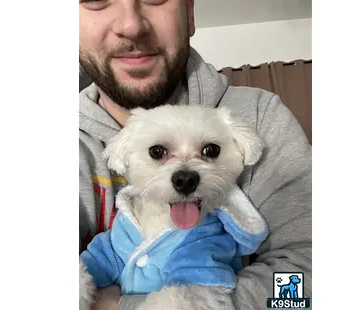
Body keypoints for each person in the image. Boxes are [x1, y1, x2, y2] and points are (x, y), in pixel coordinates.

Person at [79, 0, 312, 309]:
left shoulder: (260, 116)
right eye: (95, 0)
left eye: (210, 151)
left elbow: (307, 283)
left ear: (188, 13)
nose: (131, 26)